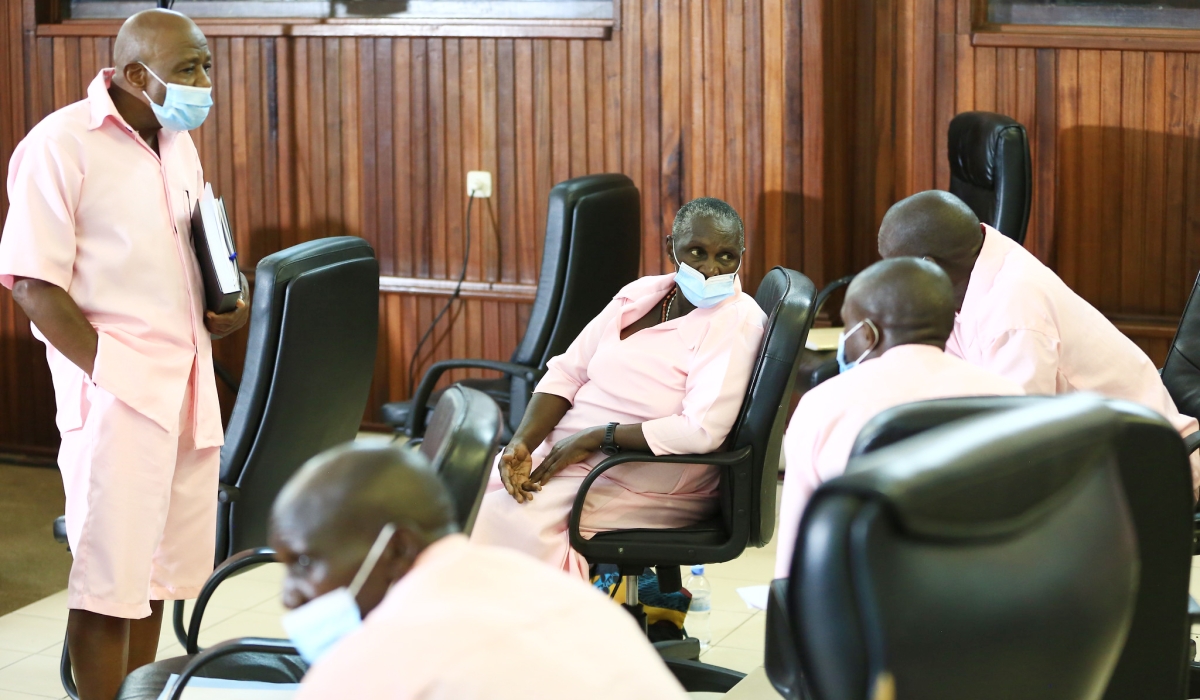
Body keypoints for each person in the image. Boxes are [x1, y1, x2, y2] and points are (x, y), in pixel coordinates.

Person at [0, 10, 248, 698]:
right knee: (109, 585)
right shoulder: (61, 145)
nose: (205, 82)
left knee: (158, 577)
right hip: (116, 400)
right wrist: (114, 376)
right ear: (137, 75)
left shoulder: (175, 141)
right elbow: (30, 284)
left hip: (188, 391)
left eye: (207, 65)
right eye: (189, 69)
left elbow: (197, 245)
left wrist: (232, 299)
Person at [469, 197, 767, 578]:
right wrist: (523, 442)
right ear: (670, 247)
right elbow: (568, 371)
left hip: (642, 473)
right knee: (457, 497)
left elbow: (701, 430)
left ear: (742, 255)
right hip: (568, 454)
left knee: (500, 523)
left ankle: (541, 633)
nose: (710, 270)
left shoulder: (736, 321)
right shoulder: (642, 294)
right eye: (697, 252)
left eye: (726, 256)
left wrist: (599, 437)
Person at [270, 444, 689, 699]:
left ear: (396, 547)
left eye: (304, 563)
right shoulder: (543, 583)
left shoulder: (376, 659)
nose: (289, 594)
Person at [877, 190, 1200, 496]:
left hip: (1143, 469)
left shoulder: (1013, 310)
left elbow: (1020, 437)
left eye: (894, 268)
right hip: (1088, 454)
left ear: (929, 266)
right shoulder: (976, 264)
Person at [775, 258, 1022, 578]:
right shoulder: (1008, 397)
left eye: (847, 329)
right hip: (987, 596)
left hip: (864, 606)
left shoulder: (823, 404)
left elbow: (797, 556)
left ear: (866, 334)